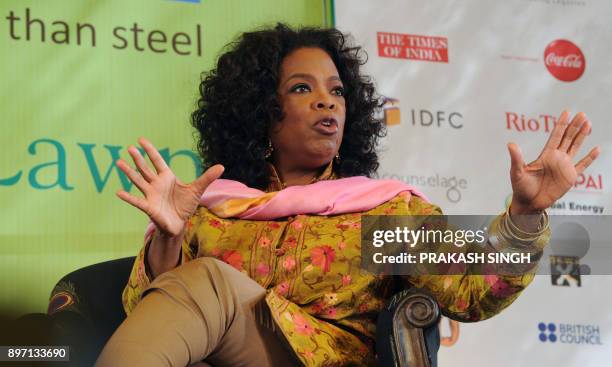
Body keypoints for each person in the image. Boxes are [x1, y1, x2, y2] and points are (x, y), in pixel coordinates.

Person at [95, 23, 600, 366]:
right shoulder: (217, 209)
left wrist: (527, 213)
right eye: (300, 88)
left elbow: (471, 293)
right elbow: (147, 314)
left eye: (336, 91)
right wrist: (169, 236)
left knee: (207, 278)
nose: (324, 100)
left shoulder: (381, 212)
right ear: (260, 110)